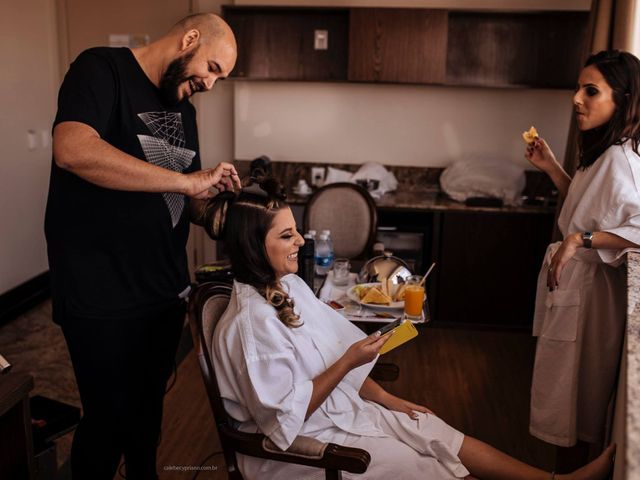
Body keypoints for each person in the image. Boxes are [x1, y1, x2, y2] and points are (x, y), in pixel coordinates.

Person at [206, 176, 615, 479]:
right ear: (254, 246)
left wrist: (390, 400)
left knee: (430, 428)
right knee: (425, 467)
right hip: (295, 452)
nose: (301, 241)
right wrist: (350, 360)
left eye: (296, 230)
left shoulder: (289, 285)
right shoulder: (251, 326)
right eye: (287, 235)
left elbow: (333, 358)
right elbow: (285, 420)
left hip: (336, 414)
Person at [44, 13, 241, 480]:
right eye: (212, 67)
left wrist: (221, 209)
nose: (212, 84)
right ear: (189, 39)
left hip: (162, 291)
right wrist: (186, 180)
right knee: (108, 421)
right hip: (100, 291)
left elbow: (179, 197)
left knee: (146, 416)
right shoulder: (101, 70)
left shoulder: (184, 111)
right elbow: (72, 149)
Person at [524, 50, 640, 453]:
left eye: (590, 91)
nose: (576, 98)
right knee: (563, 384)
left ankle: (576, 469)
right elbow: (587, 207)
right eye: (578, 88)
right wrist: (554, 168)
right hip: (576, 284)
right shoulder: (602, 155)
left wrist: (580, 241)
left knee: (578, 393)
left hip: (593, 291)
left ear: (623, 99)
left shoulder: (624, 161)